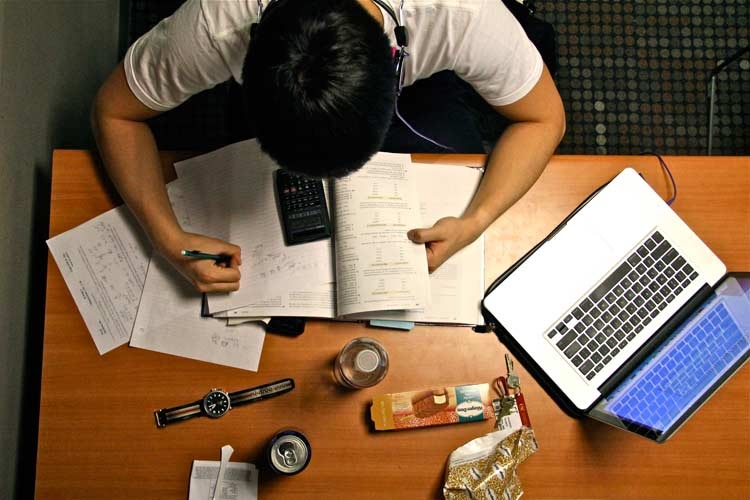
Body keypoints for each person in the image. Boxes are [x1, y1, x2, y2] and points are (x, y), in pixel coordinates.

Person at [91, 0, 565, 293]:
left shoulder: (463, 15)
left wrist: (475, 221)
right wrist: (166, 237)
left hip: (444, 54)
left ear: (395, 66)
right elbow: (114, 112)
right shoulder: (215, 25)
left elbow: (545, 118)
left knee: (457, 146)